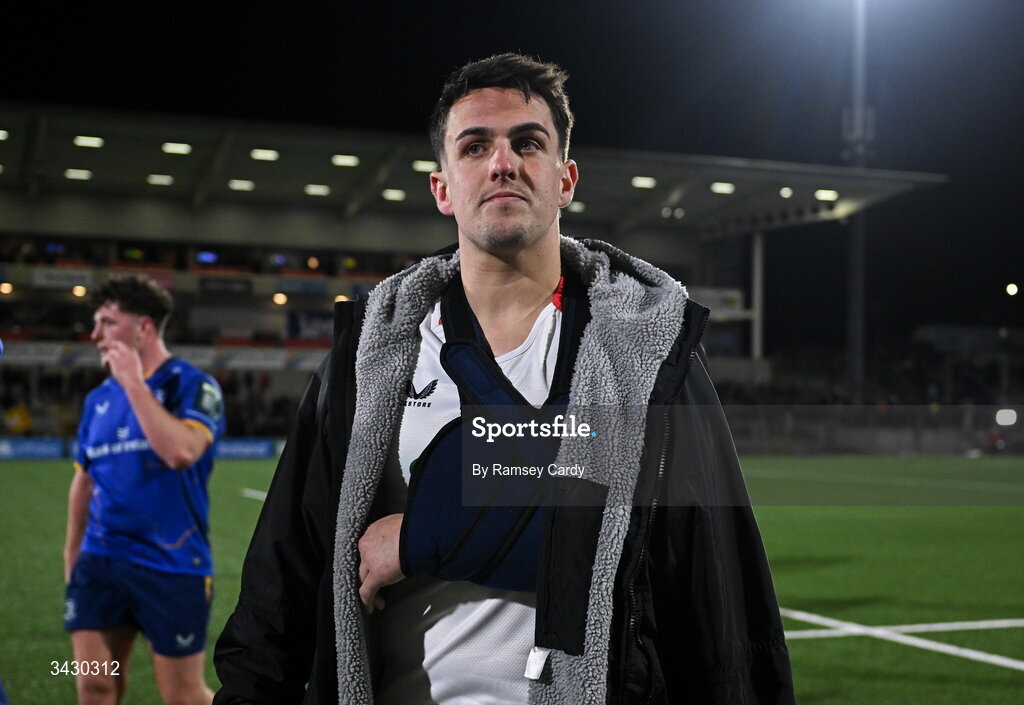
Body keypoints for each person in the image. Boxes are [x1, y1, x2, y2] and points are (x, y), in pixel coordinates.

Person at [214, 54, 794, 704]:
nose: (503, 162)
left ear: (565, 179)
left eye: (528, 143)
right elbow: (280, 583)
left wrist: (417, 537)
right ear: (442, 188)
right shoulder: (370, 357)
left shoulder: (651, 354)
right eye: (475, 146)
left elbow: (713, 586)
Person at [64, 274, 225, 705]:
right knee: (96, 685)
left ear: (144, 328)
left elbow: (181, 453)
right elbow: (84, 480)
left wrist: (134, 382)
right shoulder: (97, 399)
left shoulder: (191, 385)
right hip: (100, 564)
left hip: (171, 565)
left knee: (183, 695)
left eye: (107, 322)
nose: (95, 334)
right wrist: (72, 561)